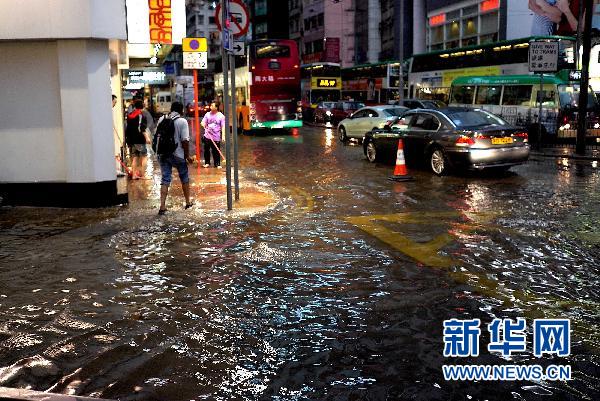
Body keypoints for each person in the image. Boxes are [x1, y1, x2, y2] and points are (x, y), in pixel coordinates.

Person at [156, 101, 194, 215]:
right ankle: (187, 202)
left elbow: (157, 136)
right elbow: (185, 140)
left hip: (163, 154)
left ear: (171, 109)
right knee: (184, 177)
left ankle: (162, 206)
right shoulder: (182, 121)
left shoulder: (162, 119)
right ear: (181, 110)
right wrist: (187, 156)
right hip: (178, 155)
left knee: (165, 179)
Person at [125, 99, 151, 179]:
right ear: (142, 106)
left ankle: (134, 175)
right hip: (140, 139)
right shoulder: (141, 115)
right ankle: (143, 175)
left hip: (132, 139)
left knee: (135, 157)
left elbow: (128, 128)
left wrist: (127, 140)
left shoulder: (130, 115)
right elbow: (142, 128)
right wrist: (147, 138)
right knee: (144, 156)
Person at [201, 102, 225, 168]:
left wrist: (223, 136)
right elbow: (203, 122)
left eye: (212, 105)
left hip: (216, 136)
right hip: (207, 135)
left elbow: (223, 127)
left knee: (216, 151)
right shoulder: (207, 114)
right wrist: (203, 124)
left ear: (216, 108)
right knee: (206, 150)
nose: (210, 106)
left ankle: (217, 164)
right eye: (210, 105)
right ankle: (207, 163)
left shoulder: (221, 116)